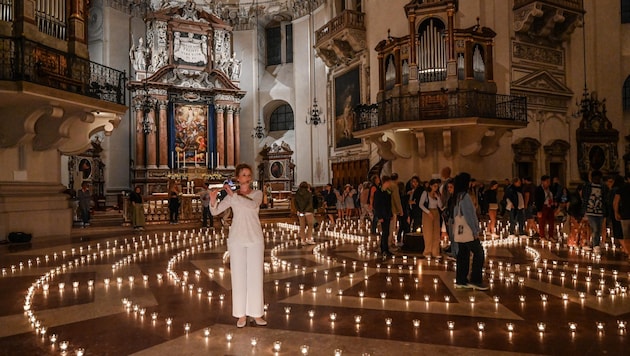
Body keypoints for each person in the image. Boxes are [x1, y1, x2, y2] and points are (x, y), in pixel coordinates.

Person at [209, 163, 267, 328]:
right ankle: (241, 315)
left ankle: (256, 313)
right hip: (237, 239)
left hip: (255, 238)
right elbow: (215, 211)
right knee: (239, 276)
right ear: (237, 178)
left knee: (255, 276)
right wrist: (213, 200)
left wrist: (233, 196)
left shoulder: (257, 194)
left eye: (249, 175)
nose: (246, 178)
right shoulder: (231, 196)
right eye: (243, 175)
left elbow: (252, 205)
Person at [452, 172, 488, 290]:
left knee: (463, 255)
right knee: (479, 253)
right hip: (468, 231)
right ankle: (475, 280)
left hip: (459, 232)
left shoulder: (457, 196)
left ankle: (461, 279)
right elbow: (469, 215)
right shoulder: (465, 197)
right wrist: (475, 230)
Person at [581, 170, 605, 253]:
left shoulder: (603, 187)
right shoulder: (588, 187)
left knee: (599, 229)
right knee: (595, 228)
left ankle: (595, 242)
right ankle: (596, 245)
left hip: (600, 211)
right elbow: (584, 198)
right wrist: (584, 211)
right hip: (590, 211)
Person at [420, 179, 443, 258]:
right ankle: (427, 251)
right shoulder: (425, 193)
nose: (435, 188)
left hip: (436, 212)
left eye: (437, 186)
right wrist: (428, 212)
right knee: (428, 232)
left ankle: (435, 251)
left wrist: (438, 198)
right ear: (430, 186)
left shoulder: (437, 194)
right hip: (427, 212)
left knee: (436, 232)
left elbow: (440, 206)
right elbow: (421, 204)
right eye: (434, 186)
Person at [374, 175, 394, 260]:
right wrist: (379, 216)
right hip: (382, 215)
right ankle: (383, 248)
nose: (390, 184)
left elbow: (389, 204)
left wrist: (391, 214)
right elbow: (377, 205)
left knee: (387, 232)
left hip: (387, 214)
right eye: (389, 182)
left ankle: (386, 248)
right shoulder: (378, 192)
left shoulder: (388, 192)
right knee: (385, 232)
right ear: (385, 182)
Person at [535, 175, 556, 242]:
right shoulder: (539, 189)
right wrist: (538, 210)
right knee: (542, 222)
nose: (548, 183)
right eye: (547, 182)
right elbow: (537, 200)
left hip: (550, 207)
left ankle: (551, 236)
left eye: (549, 181)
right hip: (543, 206)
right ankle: (542, 236)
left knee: (551, 222)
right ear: (543, 182)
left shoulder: (551, 189)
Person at [613, 175, 630, 258]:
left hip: (625, 214)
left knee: (626, 235)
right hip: (625, 214)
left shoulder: (622, 189)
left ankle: (628, 252)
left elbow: (616, 202)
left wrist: (616, 212)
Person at [295, 181, 316, 246]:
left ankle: (303, 240)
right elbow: (310, 203)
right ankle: (309, 239)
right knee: (310, 225)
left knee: (302, 226)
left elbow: (295, 203)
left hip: (300, 212)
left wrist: (300, 210)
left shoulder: (297, 193)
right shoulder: (308, 193)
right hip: (308, 211)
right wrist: (305, 210)